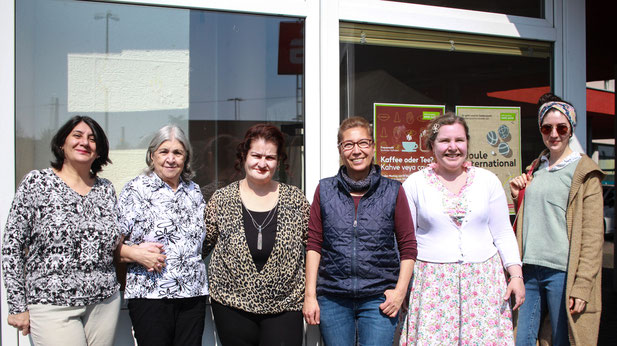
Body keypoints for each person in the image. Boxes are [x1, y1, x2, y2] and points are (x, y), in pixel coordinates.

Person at [399, 112, 524, 345]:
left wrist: (515, 274)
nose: (452, 147)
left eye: (459, 140)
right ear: (432, 146)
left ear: (467, 143)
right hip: (432, 285)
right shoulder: (415, 184)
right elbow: (406, 241)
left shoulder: (488, 181)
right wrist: (401, 285)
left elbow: (503, 233)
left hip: (483, 283)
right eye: (444, 141)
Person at [2, 115, 121, 345]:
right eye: (77, 136)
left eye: (92, 139)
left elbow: (114, 243)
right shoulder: (37, 183)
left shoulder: (105, 189)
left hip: (104, 303)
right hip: (52, 303)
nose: (84, 142)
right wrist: (17, 306)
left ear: (99, 151)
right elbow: (12, 246)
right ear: (61, 144)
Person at [303, 116, 417, 346]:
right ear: (340, 150)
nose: (357, 151)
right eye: (349, 144)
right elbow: (314, 243)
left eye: (363, 143)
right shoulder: (325, 190)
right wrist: (310, 296)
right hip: (333, 298)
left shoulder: (393, 190)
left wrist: (400, 292)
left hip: (378, 298)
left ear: (373, 147)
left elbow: (408, 247)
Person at [510, 94, 604, 346]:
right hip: (528, 269)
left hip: (563, 272)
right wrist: (519, 196)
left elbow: (593, 236)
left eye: (561, 128)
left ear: (571, 129)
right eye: (547, 128)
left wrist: (582, 287)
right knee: (521, 339)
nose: (554, 134)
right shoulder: (536, 168)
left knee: (564, 340)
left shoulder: (584, 172)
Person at [204, 123, 310, 345]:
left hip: (286, 306)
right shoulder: (222, 199)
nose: (262, 163)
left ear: (278, 160)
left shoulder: (295, 199)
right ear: (244, 156)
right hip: (231, 306)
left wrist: (311, 294)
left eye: (270, 157)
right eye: (256, 155)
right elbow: (202, 245)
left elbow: (314, 246)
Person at [116, 125, 208, 346]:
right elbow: (111, 245)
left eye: (178, 153)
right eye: (164, 151)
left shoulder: (193, 191)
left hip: (192, 294)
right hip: (150, 295)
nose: (171, 159)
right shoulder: (136, 190)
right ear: (152, 155)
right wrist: (137, 254)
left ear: (186, 158)